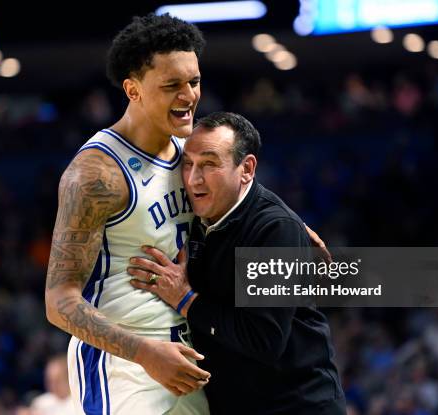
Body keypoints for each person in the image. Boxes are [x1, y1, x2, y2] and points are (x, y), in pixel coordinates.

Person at [45, 13, 211, 415]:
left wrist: (291, 230)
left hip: (190, 350)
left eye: (194, 81)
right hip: (125, 365)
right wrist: (145, 353)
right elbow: (58, 300)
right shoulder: (95, 174)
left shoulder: (192, 152)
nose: (188, 96)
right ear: (133, 90)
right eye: (171, 85)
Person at [129, 112, 346, 414]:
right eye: (188, 164)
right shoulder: (196, 213)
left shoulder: (274, 230)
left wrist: (186, 300)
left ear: (247, 169)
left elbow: (263, 340)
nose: (193, 179)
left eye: (209, 164)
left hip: (297, 405)